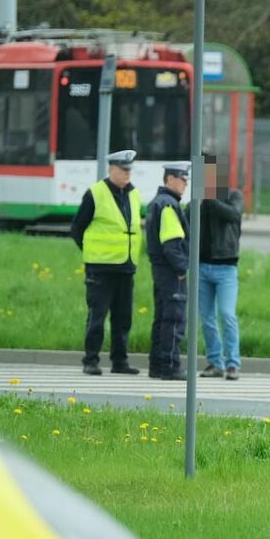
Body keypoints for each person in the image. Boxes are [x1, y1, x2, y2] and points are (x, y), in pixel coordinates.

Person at [69, 150, 143, 376]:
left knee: (123, 319)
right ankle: (90, 360)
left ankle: (119, 361)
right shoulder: (95, 194)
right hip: (100, 269)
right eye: (123, 169)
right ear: (111, 169)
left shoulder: (133, 194)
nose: (127, 174)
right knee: (97, 317)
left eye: (129, 169)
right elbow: (77, 228)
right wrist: (92, 252)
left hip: (125, 267)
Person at [198, 156, 244, 380]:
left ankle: (233, 363)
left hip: (226, 267)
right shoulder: (200, 200)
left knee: (226, 314)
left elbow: (233, 215)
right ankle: (215, 362)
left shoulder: (233, 196)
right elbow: (187, 223)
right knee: (206, 317)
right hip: (202, 267)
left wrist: (210, 199)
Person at [146, 163, 191, 381]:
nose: (185, 184)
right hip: (171, 271)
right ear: (170, 179)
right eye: (182, 179)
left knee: (162, 318)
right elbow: (171, 243)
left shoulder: (159, 202)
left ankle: (156, 365)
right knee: (174, 319)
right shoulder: (168, 205)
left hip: (160, 270)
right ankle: (170, 366)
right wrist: (181, 268)